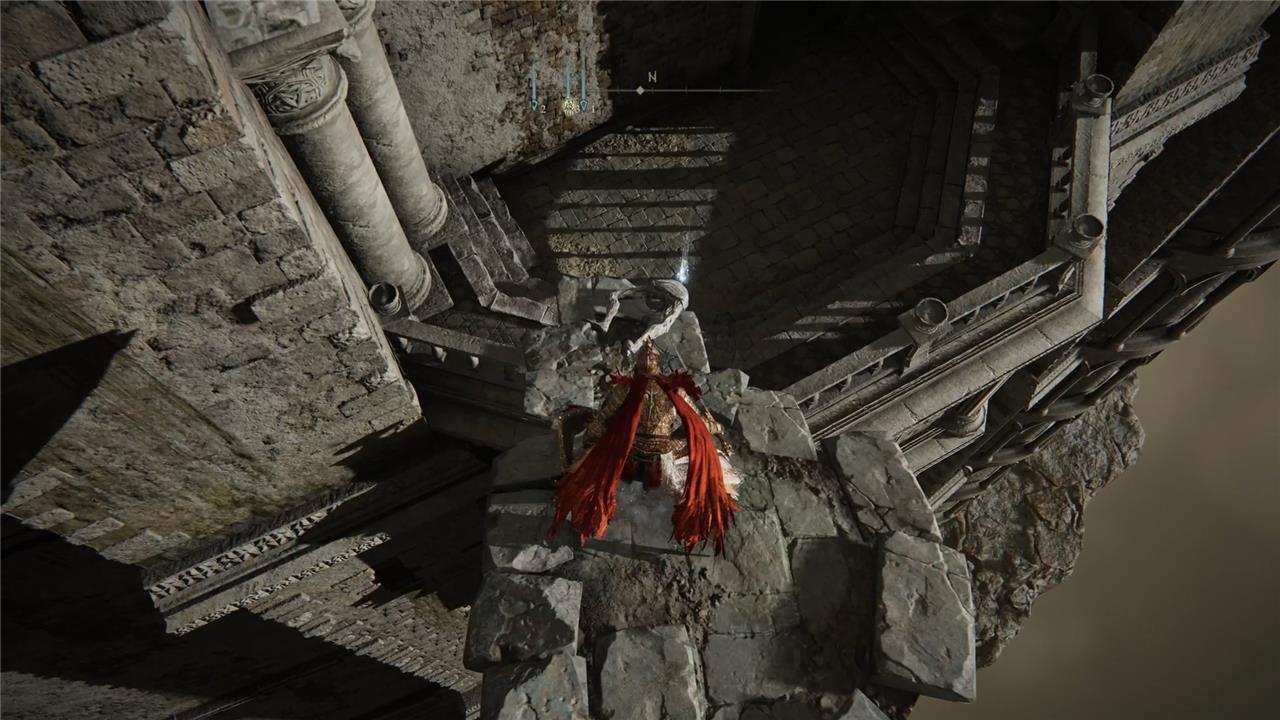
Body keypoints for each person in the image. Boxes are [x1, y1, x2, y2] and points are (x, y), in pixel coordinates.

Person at [551, 342, 740, 553]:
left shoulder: (625, 388)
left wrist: (590, 442)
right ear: (658, 364)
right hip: (664, 456)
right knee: (707, 453)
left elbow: (602, 419)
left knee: (593, 442)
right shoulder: (674, 389)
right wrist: (717, 429)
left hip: (629, 454)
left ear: (638, 364)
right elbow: (699, 423)